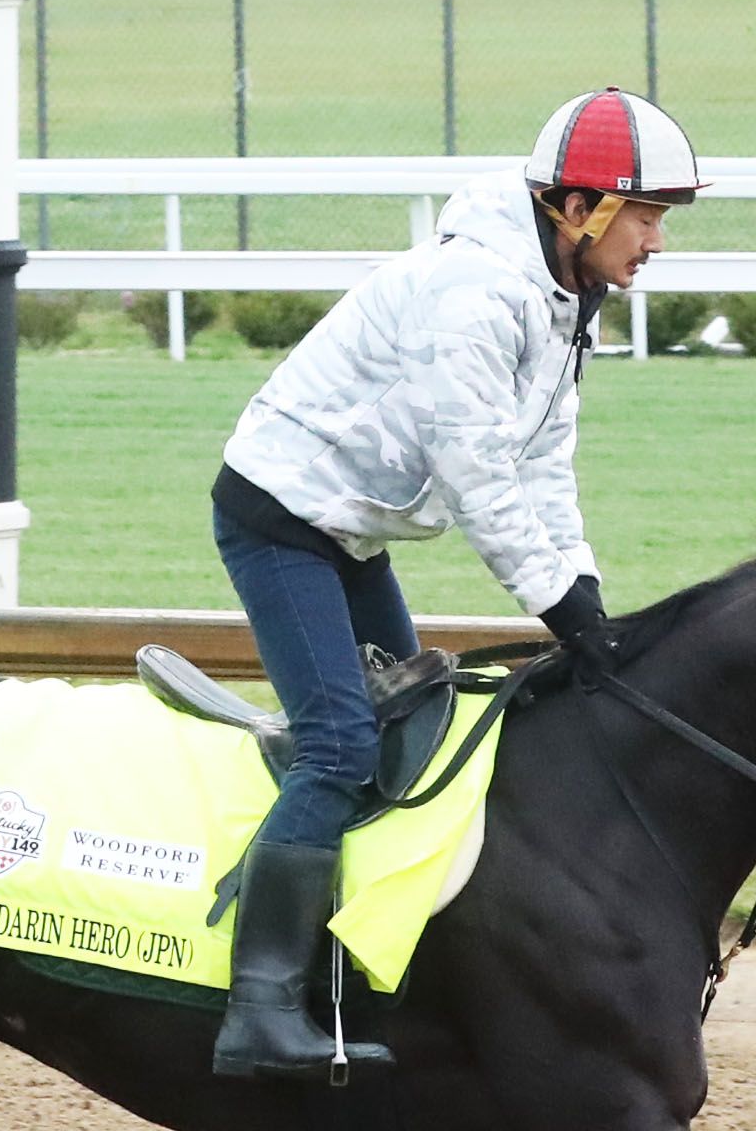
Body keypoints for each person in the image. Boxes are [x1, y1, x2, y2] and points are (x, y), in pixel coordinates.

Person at [204, 86, 704, 1079]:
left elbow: (545, 465)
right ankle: (255, 1010)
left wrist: (586, 600)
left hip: (342, 528)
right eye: (645, 217)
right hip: (279, 518)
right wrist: (557, 606)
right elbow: (478, 473)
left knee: (412, 728)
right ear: (581, 210)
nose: (655, 241)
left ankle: (348, 966)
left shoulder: (564, 299)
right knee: (345, 743)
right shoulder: (480, 293)